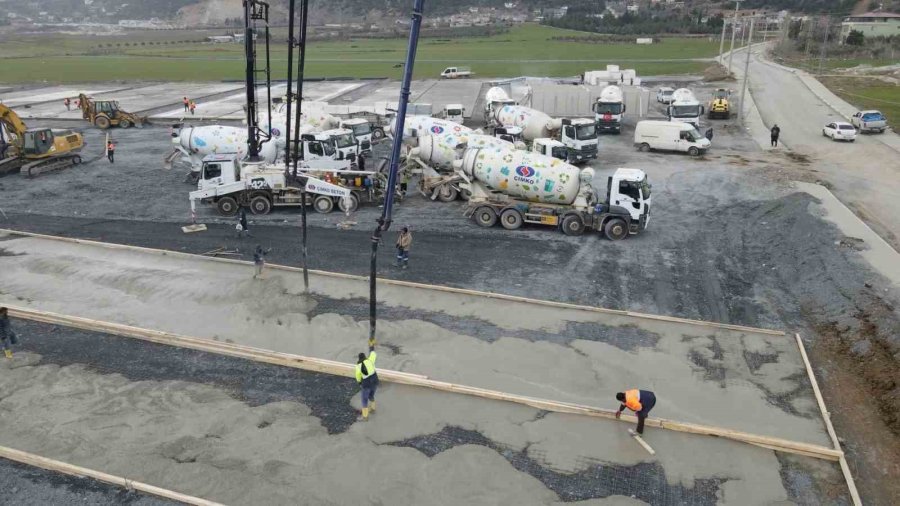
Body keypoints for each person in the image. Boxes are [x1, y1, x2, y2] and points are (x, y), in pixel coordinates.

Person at [355, 340, 378, 421]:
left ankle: (365, 416)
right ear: (365, 357)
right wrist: (371, 345)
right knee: (371, 395)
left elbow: (358, 376)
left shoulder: (358, 366)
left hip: (366, 383)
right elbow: (373, 353)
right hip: (375, 380)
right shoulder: (370, 360)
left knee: (364, 399)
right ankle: (373, 409)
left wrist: (359, 383)